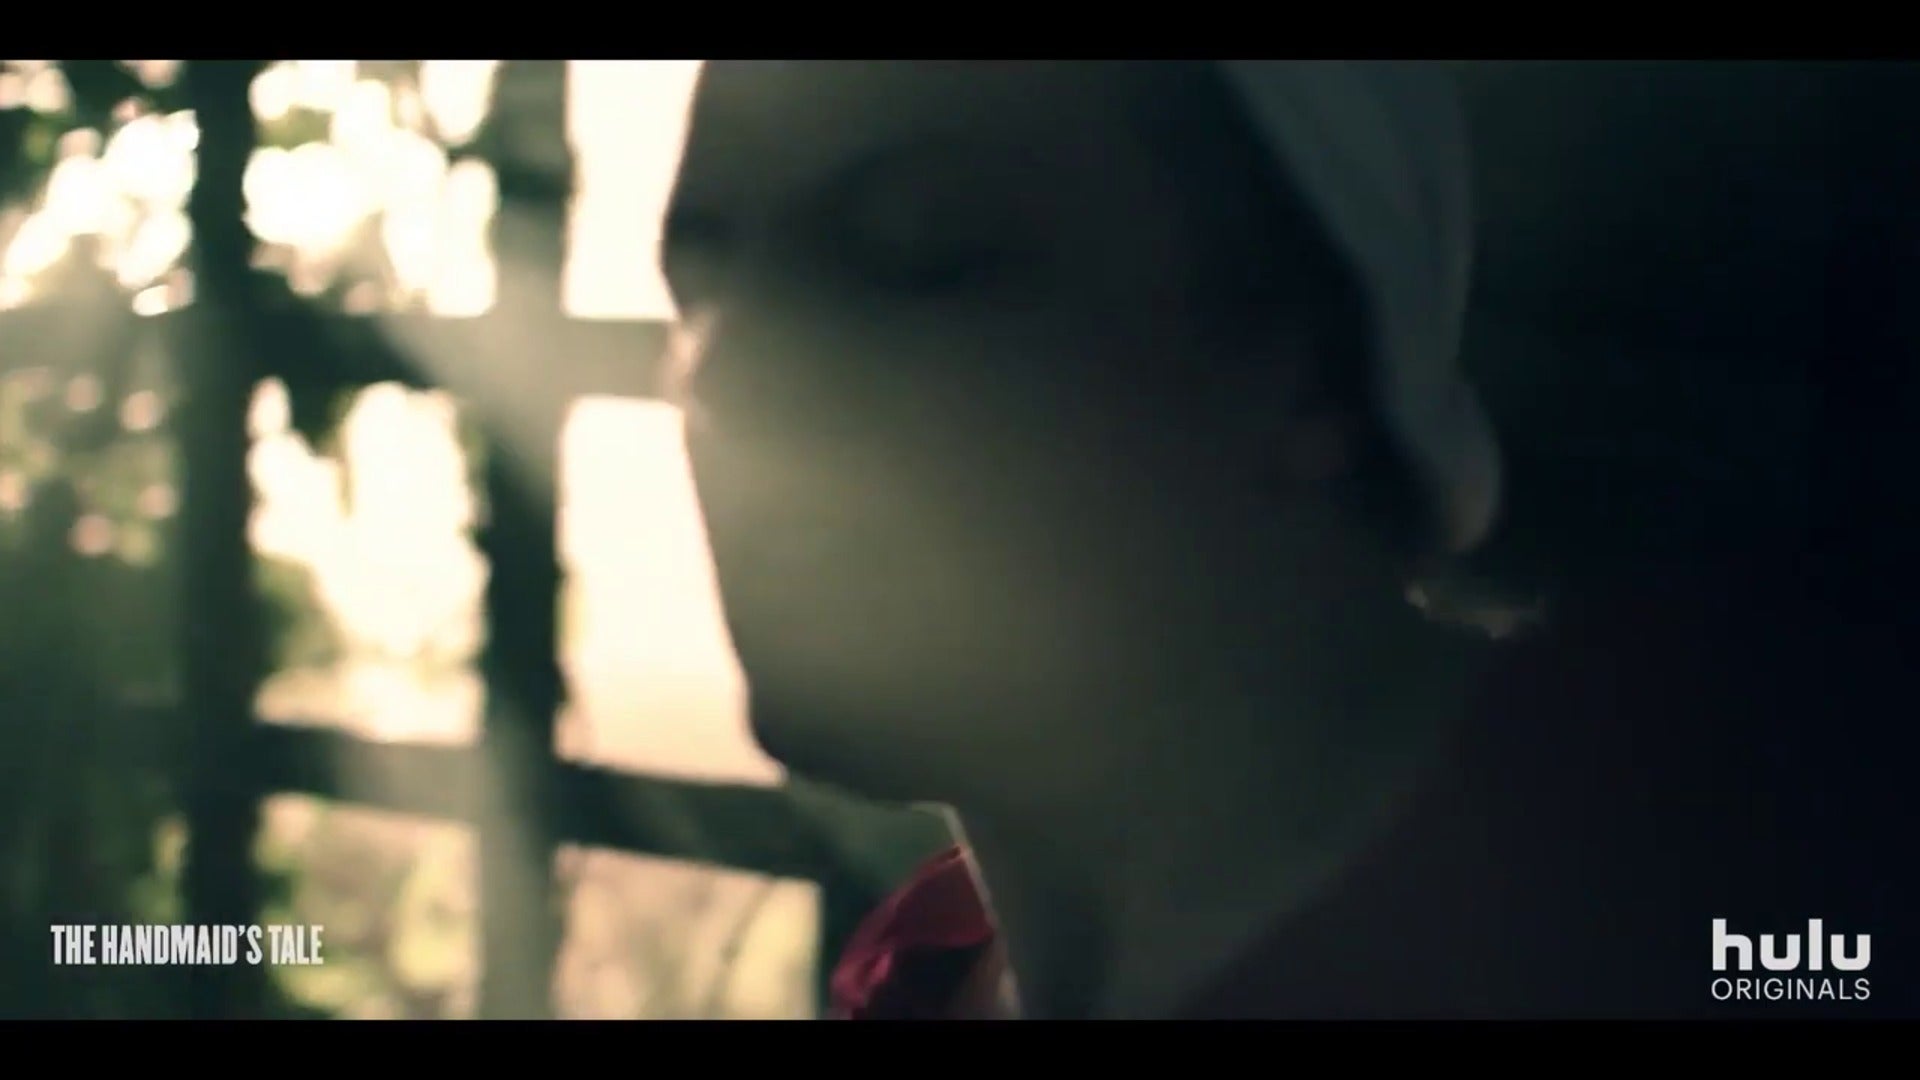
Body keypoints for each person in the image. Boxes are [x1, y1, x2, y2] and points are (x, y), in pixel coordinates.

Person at [657, 61, 1913, 1019]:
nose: (732, 374)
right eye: (701, 279)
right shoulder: (916, 973)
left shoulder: (1725, 889)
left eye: (924, 253)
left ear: (1312, 360)